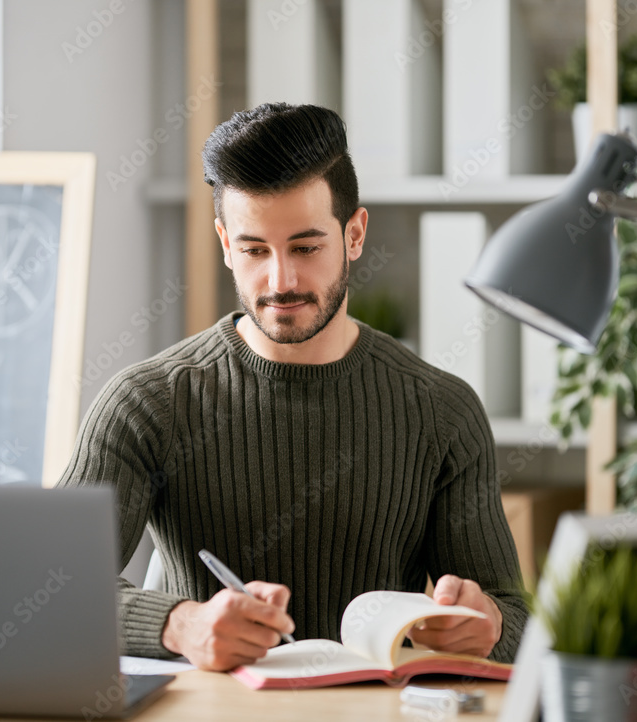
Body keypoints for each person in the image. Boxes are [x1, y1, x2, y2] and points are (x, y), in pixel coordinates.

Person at [58, 102, 526, 672]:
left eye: (306, 248)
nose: (280, 281)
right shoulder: (146, 404)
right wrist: (181, 625)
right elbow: (48, 587)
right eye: (255, 250)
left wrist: (487, 625)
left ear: (354, 235)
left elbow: (514, 619)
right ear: (226, 243)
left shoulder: (442, 411)